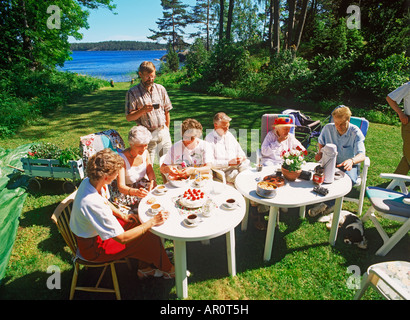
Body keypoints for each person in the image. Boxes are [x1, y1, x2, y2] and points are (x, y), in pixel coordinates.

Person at [70, 148, 175, 279]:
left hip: (95, 233)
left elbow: (105, 202)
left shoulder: (90, 182)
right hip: (93, 249)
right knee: (148, 234)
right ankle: (168, 269)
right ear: (107, 177)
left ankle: (146, 267)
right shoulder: (91, 202)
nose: (118, 176)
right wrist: (152, 222)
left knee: (140, 224)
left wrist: (123, 215)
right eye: (117, 173)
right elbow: (122, 239)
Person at [309, 105, 366, 217]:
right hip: (330, 161)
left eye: (342, 124)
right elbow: (321, 142)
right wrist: (320, 153)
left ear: (348, 120)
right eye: (336, 123)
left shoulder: (355, 132)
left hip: (348, 164)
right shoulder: (328, 128)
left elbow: (362, 155)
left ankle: (327, 204)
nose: (338, 127)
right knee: (316, 174)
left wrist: (351, 160)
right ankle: (315, 200)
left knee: (349, 180)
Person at [125, 61, 173, 165]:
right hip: (146, 135)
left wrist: (167, 129)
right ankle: (151, 182)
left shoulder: (160, 89)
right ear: (140, 74)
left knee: (167, 164)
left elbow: (167, 110)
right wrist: (142, 110)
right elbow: (129, 117)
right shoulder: (132, 92)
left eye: (153, 76)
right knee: (147, 167)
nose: (150, 79)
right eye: (147, 77)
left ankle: (167, 182)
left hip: (163, 131)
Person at [110, 125, 156, 210]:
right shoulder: (121, 159)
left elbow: (149, 171)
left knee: (157, 197)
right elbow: (121, 186)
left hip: (141, 186)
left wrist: (152, 181)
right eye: (140, 146)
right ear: (131, 144)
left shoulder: (145, 152)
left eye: (146, 145)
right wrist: (136, 192)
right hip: (126, 191)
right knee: (147, 206)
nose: (144, 148)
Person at [205, 112, 249, 184]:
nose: (227, 129)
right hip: (225, 170)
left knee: (248, 169)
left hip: (238, 165)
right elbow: (210, 163)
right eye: (224, 127)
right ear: (215, 125)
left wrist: (241, 157)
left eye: (228, 126)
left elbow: (239, 150)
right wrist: (228, 163)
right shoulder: (209, 140)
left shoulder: (229, 134)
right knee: (236, 176)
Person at [386, 81, 410, 175]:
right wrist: (401, 114)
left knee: (407, 154)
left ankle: (397, 178)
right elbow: (390, 98)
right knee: (409, 151)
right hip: (409, 123)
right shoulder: (408, 86)